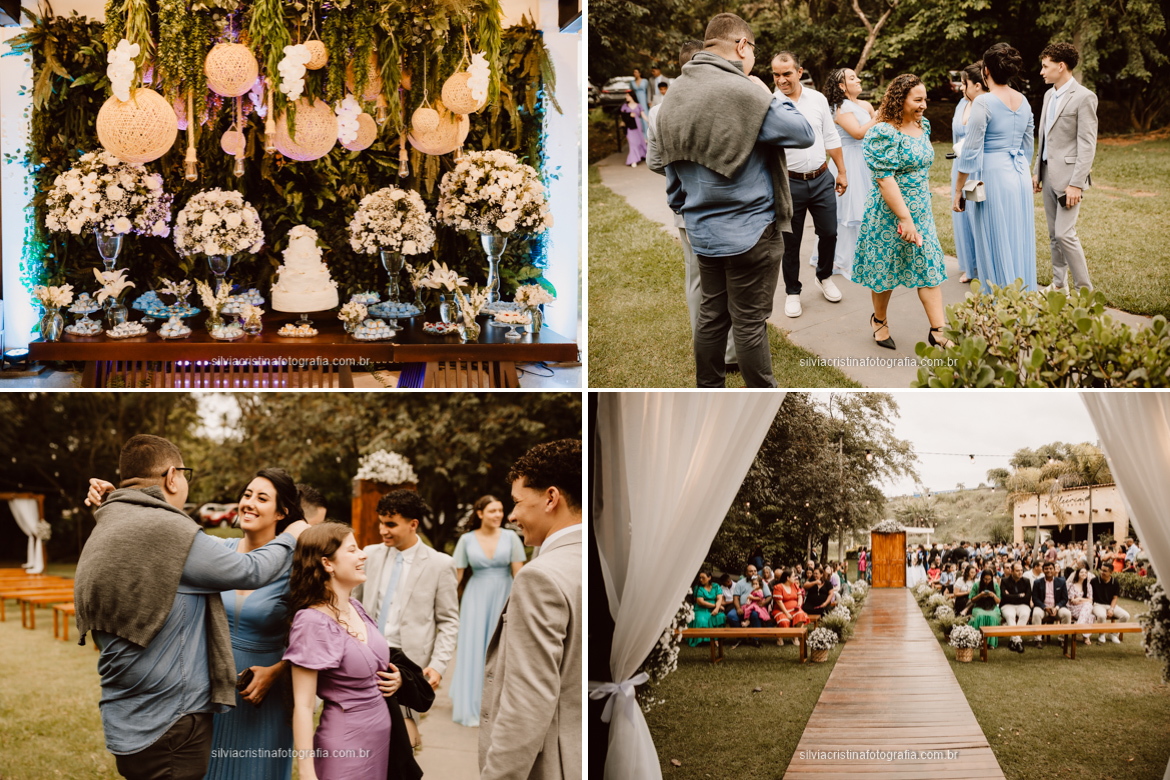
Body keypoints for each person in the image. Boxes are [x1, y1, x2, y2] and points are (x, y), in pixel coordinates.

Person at [75, 435, 310, 780]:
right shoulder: (203, 546)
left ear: (281, 510)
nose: (249, 503)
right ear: (173, 477)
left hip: (245, 701)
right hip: (186, 709)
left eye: (262, 498)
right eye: (247, 494)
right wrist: (294, 534)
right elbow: (247, 569)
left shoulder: (125, 526)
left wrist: (119, 499)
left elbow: (316, 636)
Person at [657, 12, 814, 388]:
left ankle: (709, 389)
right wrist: (764, 92)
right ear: (742, 45)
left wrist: (683, 203)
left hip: (703, 231)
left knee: (712, 316)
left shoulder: (676, 91)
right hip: (750, 232)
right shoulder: (743, 90)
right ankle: (761, 392)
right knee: (748, 323)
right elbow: (804, 132)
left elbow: (668, 163)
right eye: (754, 50)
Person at [478, 439, 581, 780]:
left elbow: (527, 700)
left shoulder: (539, 577)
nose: (512, 515)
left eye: (518, 502)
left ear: (551, 498)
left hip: (553, 764)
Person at [646, 40, 738, 372]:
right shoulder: (722, 101)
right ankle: (727, 353)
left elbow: (655, 163)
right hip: (724, 209)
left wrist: (681, 174)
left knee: (698, 281)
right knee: (728, 280)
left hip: (686, 209)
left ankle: (712, 349)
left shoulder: (659, 111)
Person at [285, 523, 399, 780]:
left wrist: (396, 679)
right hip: (345, 746)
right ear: (328, 563)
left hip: (379, 741)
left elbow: (370, 660)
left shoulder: (356, 607)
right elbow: (303, 706)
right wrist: (306, 772)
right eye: (352, 549)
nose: (363, 555)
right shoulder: (311, 621)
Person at [353, 490, 459, 750]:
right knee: (364, 736)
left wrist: (438, 664)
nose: (383, 530)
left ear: (413, 525)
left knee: (403, 744)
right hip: (367, 655)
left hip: (410, 665)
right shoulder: (370, 555)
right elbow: (353, 603)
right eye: (381, 523)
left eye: (390, 524)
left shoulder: (440, 564)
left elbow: (448, 621)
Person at [853, 73, 949, 352]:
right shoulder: (883, 131)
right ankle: (879, 320)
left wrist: (915, 215)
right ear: (900, 99)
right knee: (886, 268)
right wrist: (904, 217)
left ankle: (938, 330)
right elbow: (885, 178)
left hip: (922, 211)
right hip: (888, 212)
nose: (924, 106)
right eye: (918, 100)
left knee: (929, 265)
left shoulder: (923, 125)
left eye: (925, 100)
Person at [771, 51, 846, 317]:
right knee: (791, 242)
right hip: (790, 184)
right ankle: (793, 291)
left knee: (829, 232)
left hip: (822, 177)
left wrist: (842, 172)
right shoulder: (771, 104)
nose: (781, 80)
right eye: (776, 75)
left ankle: (824, 276)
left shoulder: (818, 99)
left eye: (787, 74)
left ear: (799, 72)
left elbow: (830, 136)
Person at [450, 494, 526, 728]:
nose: (498, 515)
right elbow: (457, 577)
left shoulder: (512, 538)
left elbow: (519, 575)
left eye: (501, 510)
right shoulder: (467, 540)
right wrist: (449, 606)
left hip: (504, 595)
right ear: (480, 513)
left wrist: (521, 606)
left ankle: (500, 706)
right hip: (475, 597)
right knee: (474, 648)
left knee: (502, 649)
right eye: (492, 511)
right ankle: (472, 703)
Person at [1033, 41, 1097, 292]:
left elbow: (1087, 144)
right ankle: (1059, 285)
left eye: (1045, 66)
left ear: (1061, 66)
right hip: (1048, 174)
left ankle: (1085, 291)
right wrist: (1037, 172)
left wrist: (1076, 184)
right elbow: (1045, 136)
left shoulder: (1085, 97)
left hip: (1070, 180)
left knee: (1064, 234)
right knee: (1053, 235)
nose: (1041, 72)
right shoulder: (1049, 95)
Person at [820, 68, 876, 280]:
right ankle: (847, 259)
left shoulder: (865, 105)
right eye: (852, 78)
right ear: (842, 86)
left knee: (870, 207)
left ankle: (871, 255)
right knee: (850, 210)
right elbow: (858, 133)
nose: (858, 80)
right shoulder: (839, 108)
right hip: (848, 162)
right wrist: (880, 116)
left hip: (868, 160)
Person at [950, 62, 987, 284]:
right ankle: (970, 265)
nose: (962, 88)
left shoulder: (985, 106)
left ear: (978, 85)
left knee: (978, 216)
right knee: (962, 216)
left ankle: (984, 266)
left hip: (978, 167)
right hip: (960, 165)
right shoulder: (961, 104)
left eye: (964, 83)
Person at [1030, 561, 1071, 647]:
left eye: (1050, 568)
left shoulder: (1061, 581)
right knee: (1036, 613)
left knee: (1067, 614)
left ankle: (1062, 639)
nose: (1048, 570)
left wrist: (1056, 607)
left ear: (1054, 570)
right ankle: (1038, 639)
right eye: (1046, 569)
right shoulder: (1037, 582)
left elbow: (1065, 598)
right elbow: (1035, 598)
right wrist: (1044, 607)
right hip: (1043, 607)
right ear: (1043, 570)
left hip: (1057, 607)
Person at [999, 561, 1032, 653]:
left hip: (1023, 605)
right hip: (1007, 605)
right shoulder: (1004, 581)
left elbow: (1027, 597)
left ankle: (1013, 641)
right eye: (1017, 571)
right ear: (1012, 571)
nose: (1020, 572)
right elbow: (1004, 597)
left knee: (1025, 614)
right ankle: (1018, 641)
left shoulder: (1026, 581)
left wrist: (1011, 596)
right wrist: (1019, 596)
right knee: (1010, 616)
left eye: (1021, 570)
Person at [686, 570, 726, 646]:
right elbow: (700, 602)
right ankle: (704, 640)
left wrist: (717, 609)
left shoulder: (716, 586)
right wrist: (716, 606)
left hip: (715, 607)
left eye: (703, 578)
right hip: (701, 608)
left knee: (721, 616)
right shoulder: (698, 588)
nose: (701, 580)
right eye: (700, 578)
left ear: (709, 577)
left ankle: (716, 638)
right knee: (701, 620)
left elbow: (719, 599)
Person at [1092, 564, 1129, 642]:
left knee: (1125, 616)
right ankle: (1102, 635)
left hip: (1110, 605)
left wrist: (1111, 609)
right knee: (1102, 615)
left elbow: (1115, 598)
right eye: (1101, 570)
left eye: (1104, 571)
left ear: (1111, 573)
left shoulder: (1115, 582)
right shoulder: (1094, 581)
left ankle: (1114, 634)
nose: (1102, 572)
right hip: (1097, 605)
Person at [968, 568, 1002, 648]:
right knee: (980, 616)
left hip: (992, 607)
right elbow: (972, 599)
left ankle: (991, 643)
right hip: (979, 606)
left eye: (989, 579)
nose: (987, 581)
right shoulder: (977, 585)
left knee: (992, 617)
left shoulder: (995, 585)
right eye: (985, 579)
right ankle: (978, 641)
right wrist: (980, 595)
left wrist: (993, 595)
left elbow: (998, 601)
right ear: (982, 578)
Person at [1067, 566, 1095, 644]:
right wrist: (1085, 600)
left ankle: (1080, 626)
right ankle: (1086, 637)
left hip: (1083, 609)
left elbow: (1091, 601)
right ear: (1077, 574)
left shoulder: (1088, 586)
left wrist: (1079, 599)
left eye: (1085, 572)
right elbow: (1072, 601)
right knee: (1088, 608)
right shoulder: (1071, 585)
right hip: (1072, 608)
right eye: (1082, 572)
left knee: (1091, 615)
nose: (1084, 574)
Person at [620, 93, 646, 167]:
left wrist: (648, 121)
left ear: (632, 96)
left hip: (637, 125)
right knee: (632, 143)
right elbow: (622, 116)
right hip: (629, 126)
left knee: (639, 141)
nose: (626, 97)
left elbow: (643, 115)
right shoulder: (625, 106)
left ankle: (642, 155)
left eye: (628, 95)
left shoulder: (638, 105)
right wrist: (629, 115)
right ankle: (633, 159)